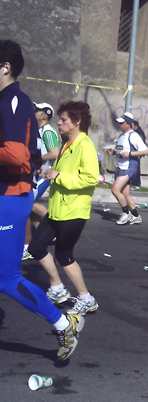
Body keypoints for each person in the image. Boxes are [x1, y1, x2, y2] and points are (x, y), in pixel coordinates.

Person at [0, 39, 83, 361]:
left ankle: (64, 323)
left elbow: (17, 153)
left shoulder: (14, 100)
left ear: (5, 67)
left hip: (10, 196)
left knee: (7, 279)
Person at [29, 101, 100, 315]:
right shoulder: (68, 143)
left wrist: (59, 176)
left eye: (64, 120)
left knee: (64, 254)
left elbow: (91, 178)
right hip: (58, 209)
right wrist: (50, 173)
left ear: (77, 121)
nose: (58, 123)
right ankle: (58, 288)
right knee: (36, 247)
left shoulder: (84, 145)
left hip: (74, 211)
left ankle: (86, 298)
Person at [23, 101, 60, 260]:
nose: (34, 112)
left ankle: (27, 246)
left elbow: (54, 153)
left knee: (25, 205)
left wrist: (34, 158)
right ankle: (43, 237)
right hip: (37, 173)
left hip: (44, 175)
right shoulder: (39, 130)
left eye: (37, 110)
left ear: (45, 115)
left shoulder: (47, 131)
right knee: (28, 208)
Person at [107, 112, 148, 224]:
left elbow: (145, 151)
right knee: (125, 193)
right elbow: (121, 150)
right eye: (119, 123)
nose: (119, 125)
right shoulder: (121, 136)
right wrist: (113, 152)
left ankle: (126, 213)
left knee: (115, 190)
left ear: (128, 124)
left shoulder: (133, 135)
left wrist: (130, 154)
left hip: (129, 166)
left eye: (122, 123)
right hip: (121, 166)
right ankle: (136, 215)